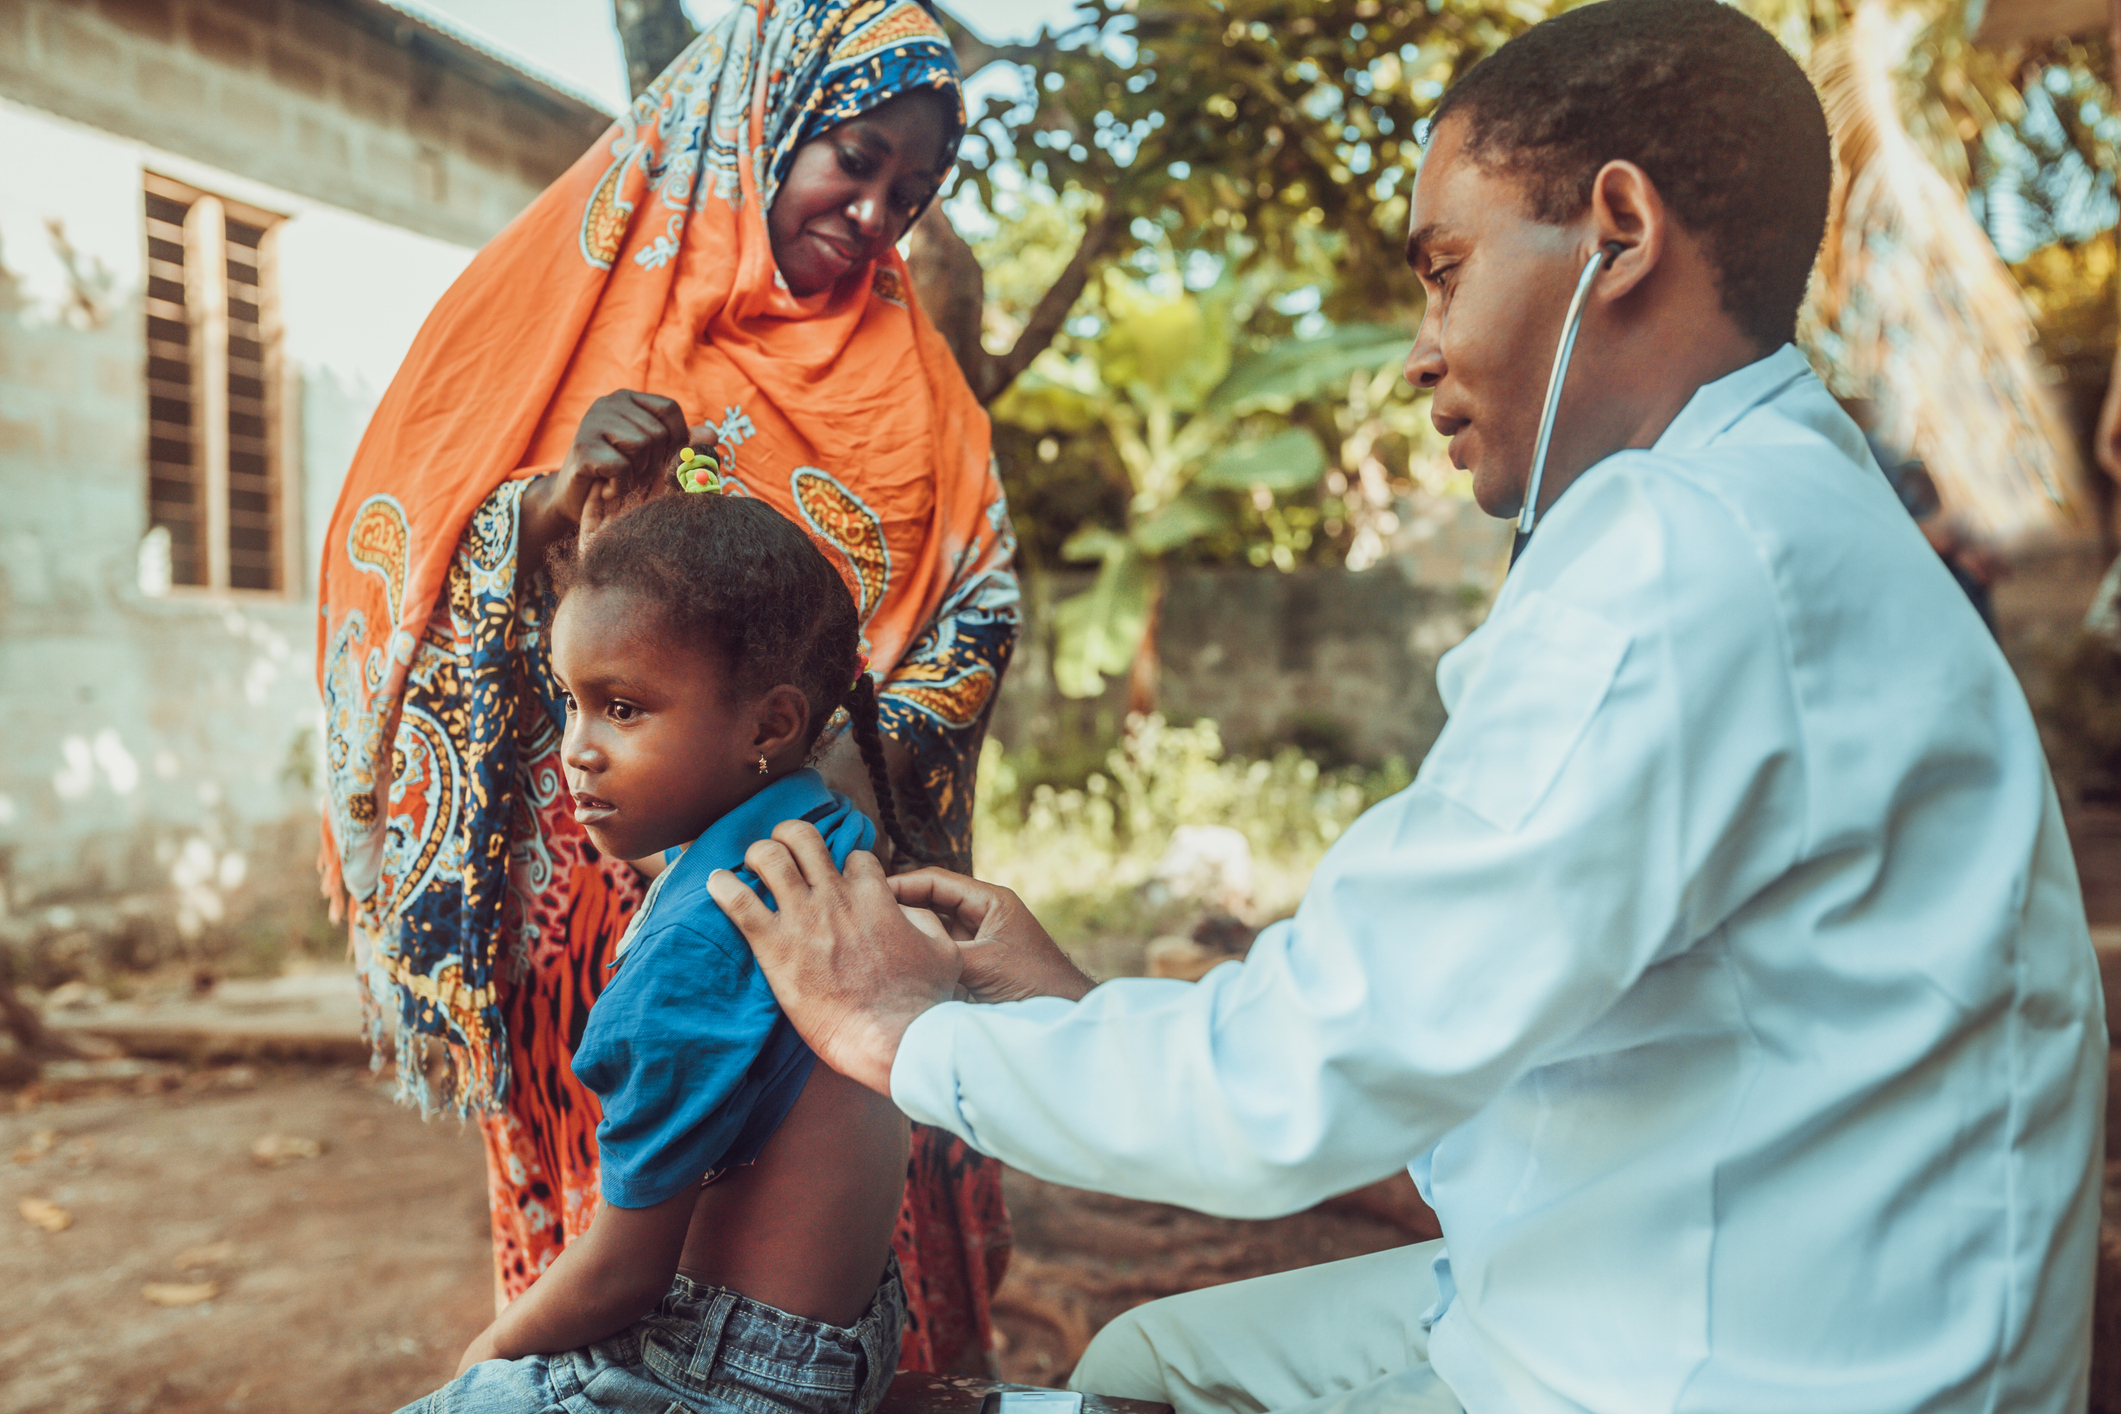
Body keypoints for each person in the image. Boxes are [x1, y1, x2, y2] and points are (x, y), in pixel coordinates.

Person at [707, 2, 2107, 1411]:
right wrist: (1072, 1006)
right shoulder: (1768, 497)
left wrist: (901, 1033)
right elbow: (1457, 1032)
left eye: (1446, 273)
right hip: (1716, 1253)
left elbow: (1321, 1072)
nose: (1419, 350)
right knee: (1139, 1360)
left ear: (1617, 230)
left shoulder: (1688, 554)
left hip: (1758, 1360)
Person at [314, 0, 1018, 1373]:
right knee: (619, 1209)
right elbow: (405, 543)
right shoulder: (571, 311)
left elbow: (975, 607)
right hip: (581, 901)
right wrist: (553, 508)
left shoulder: (918, 387)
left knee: (807, 1246)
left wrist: (814, 750)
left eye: (910, 193)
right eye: (853, 158)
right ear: (763, 124)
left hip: (810, 880)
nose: (876, 213)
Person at [397, 485, 918, 1414]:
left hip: (721, 1371)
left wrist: (480, 1360)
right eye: (571, 702)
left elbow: (619, 1280)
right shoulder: (809, 839)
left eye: (624, 708)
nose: (576, 750)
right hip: (849, 1336)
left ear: (768, 726)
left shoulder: (688, 957)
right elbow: (680, 875)